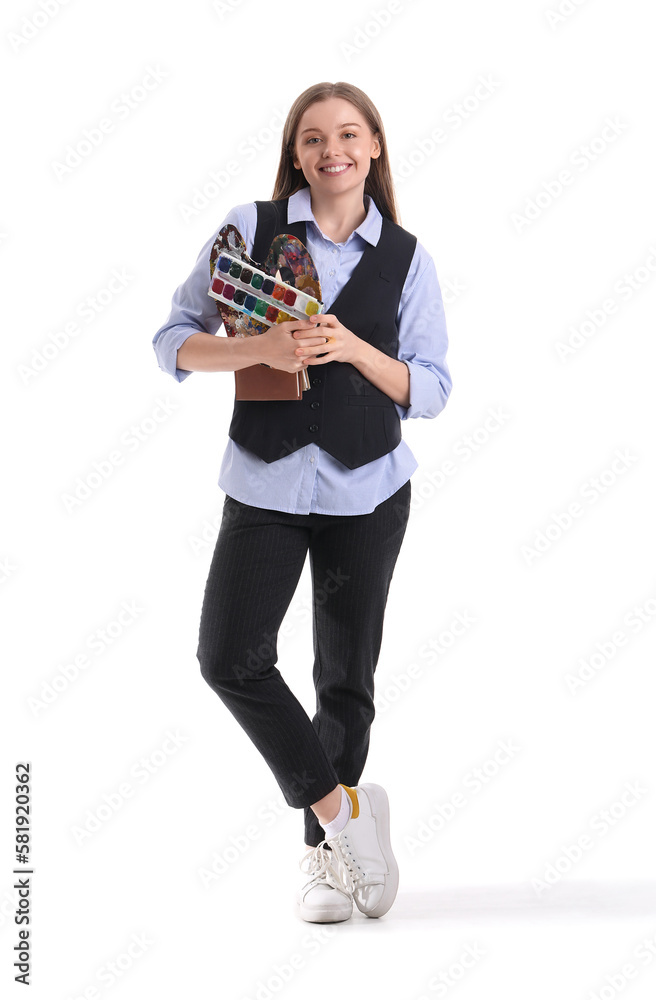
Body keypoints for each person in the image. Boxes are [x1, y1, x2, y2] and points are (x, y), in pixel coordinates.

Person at [152, 81, 452, 923]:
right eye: (314, 139)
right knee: (228, 656)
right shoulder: (250, 231)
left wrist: (352, 345)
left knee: (344, 681)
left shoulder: (408, 259)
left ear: (375, 147)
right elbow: (172, 341)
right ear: (296, 153)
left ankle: (324, 864)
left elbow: (429, 389)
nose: (333, 152)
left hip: (369, 488)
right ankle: (342, 815)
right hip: (267, 481)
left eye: (349, 135)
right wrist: (258, 344)